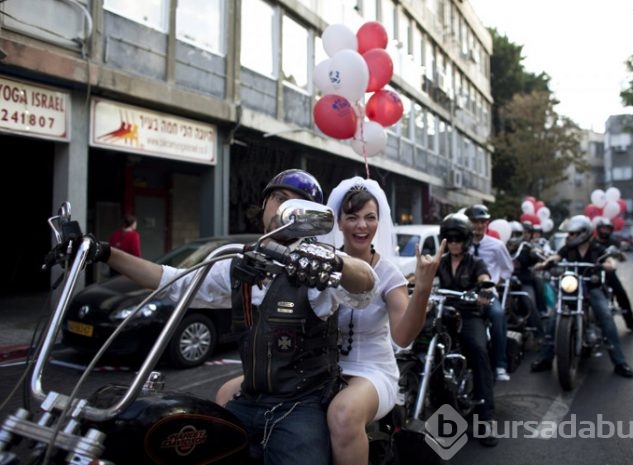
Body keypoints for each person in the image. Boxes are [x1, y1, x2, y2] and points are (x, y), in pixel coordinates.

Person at [90, 169, 379, 465]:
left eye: (298, 205)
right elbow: (172, 281)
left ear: (312, 217)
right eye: (279, 199)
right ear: (265, 203)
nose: (285, 210)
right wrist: (104, 252)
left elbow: (365, 285)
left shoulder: (316, 264)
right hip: (249, 399)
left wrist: (335, 263)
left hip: (299, 406)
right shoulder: (239, 263)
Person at [216, 176, 445, 465]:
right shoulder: (317, 264)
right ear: (337, 222)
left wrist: (422, 289)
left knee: (343, 413)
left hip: (369, 370)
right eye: (352, 217)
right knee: (226, 393)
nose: (361, 226)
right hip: (316, 369)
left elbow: (402, 337)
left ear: (378, 223)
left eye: (370, 218)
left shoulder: (388, 273)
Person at [530, 215, 633, 378]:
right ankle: (545, 358)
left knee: (606, 316)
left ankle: (620, 361)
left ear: (583, 233)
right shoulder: (568, 248)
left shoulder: (596, 247)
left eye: (572, 233)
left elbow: (609, 260)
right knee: (553, 318)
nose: (569, 236)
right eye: (569, 234)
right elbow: (556, 257)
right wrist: (545, 263)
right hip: (571, 287)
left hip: (591, 287)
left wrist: (608, 265)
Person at [436, 212, 499, 447]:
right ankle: (442, 418)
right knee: (432, 356)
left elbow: (485, 278)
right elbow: (420, 276)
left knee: (478, 351)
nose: (453, 243)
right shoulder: (439, 263)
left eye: (458, 239)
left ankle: (486, 420)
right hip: (444, 315)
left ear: (466, 240)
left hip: (469, 314)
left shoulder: (475, 263)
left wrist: (485, 289)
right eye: (450, 239)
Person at [464, 204, 513, 382]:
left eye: (482, 222)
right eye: (474, 222)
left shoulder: (497, 245)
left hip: (487, 293)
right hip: (464, 293)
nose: (478, 226)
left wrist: (492, 284)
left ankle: (500, 364)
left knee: (498, 315)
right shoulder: (461, 244)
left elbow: (507, 270)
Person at [594, 218, 633, 334]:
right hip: (593, 272)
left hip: (608, 273)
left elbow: (623, 256)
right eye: (603, 228)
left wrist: (620, 255)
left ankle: (631, 323)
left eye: (607, 228)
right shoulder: (592, 242)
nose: (605, 231)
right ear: (598, 229)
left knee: (621, 293)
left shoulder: (613, 242)